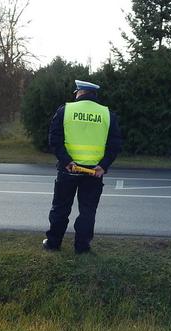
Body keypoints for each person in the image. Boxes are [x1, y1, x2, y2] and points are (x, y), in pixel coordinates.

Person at [42, 79, 122, 254]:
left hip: (68, 170)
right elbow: (115, 145)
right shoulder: (107, 114)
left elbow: (54, 139)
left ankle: (53, 243)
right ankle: (82, 247)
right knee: (87, 211)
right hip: (94, 172)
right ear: (94, 95)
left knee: (60, 208)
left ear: (79, 93)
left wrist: (66, 161)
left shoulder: (66, 110)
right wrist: (103, 166)